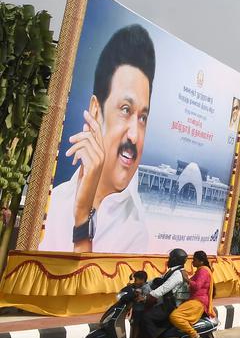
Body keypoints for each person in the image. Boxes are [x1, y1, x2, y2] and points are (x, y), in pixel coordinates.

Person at [42, 24, 156, 253]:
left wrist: (83, 217)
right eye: (125, 109)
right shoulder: (50, 203)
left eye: (142, 117)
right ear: (95, 110)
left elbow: (87, 287)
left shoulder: (137, 232)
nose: (134, 134)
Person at [138, 248, 190, 338]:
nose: (168, 260)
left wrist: (145, 297)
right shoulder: (172, 271)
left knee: (146, 316)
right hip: (165, 303)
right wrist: (140, 286)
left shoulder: (178, 275)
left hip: (171, 306)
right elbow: (157, 280)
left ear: (175, 259)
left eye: (170, 258)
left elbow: (164, 288)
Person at [169, 250, 215, 338]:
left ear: (201, 261)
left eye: (195, 260)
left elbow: (197, 286)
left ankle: (194, 335)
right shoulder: (203, 270)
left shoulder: (203, 270)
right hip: (195, 300)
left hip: (198, 301)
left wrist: (186, 279)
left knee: (175, 316)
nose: (193, 262)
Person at [119, 270, 152, 338]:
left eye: (136, 279)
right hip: (136, 309)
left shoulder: (146, 288)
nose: (135, 281)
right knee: (133, 324)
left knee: (136, 325)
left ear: (142, 280)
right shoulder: (137, 286)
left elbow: (148, 299)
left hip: (141, 311)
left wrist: (141, 298)